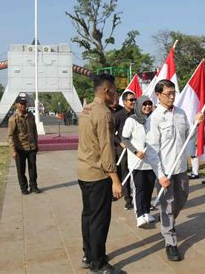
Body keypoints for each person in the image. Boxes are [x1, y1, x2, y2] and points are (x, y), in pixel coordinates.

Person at [146, 79, 203, 262]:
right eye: (167, 94)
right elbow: (152, 151)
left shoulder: (180, 113)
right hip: (166, 171)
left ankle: (168, 223)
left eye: (173, 93)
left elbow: (188, 136)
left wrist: (196, 124)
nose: (171, 97)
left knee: (182, 198)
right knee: (168, 205)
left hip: (181, 168)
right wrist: (160, 175)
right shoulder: (154, 118)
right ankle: (170, 242)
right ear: (158, 95)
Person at [77, 74, 124, 274]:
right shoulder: (103, 113)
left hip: (84, 170)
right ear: (106, 90)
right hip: (98, 174)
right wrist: (115, 180)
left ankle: (88, 255)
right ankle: (98, 264)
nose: (116, 94)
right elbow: (106, 149)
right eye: (114, 90)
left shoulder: (86, 109)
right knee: (99, 220)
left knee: (88, 216)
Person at [122, 96, 156, 228]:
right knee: (140, 188)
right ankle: (139, 215)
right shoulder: (131, 120)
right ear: (139, 105)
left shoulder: (153, 120)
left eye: (149, 104)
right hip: (137, 162)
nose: (147, 106)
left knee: (149, 188)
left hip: (151, 161)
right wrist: (136, 152)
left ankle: (147, 212)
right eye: (144, 104)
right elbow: (125, 139)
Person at [8, 93, 41, 195]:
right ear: (16, 105)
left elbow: (34, 130)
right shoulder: (13, 118)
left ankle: (33, 186)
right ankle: (23, 188)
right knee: (21, 170)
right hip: (20, 148)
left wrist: (36, 144)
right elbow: (10, 136)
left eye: (24, 103)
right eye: (21, 104)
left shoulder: (30, 116)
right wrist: (13, 150)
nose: (23, 105)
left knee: (33, 169)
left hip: (31, 147)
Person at [113, 91, 136, 210]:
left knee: (138, 174)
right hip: (124, 150)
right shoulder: (119, 115)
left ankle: (140, 199)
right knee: (125, 174)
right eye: (131, 100)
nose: (133, 102)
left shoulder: (139, 114)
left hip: (137, 150)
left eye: (134, 100)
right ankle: (128, 199)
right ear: (125, 101)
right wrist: (120, 142)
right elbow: (110, 132)